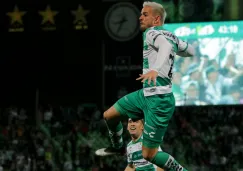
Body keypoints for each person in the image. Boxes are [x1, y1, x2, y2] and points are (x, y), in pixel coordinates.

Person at [96, 1, 195, 171]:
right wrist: (176, 46)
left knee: (149, 154)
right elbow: (191, 50)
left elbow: (163, 45)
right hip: (145, 94)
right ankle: (118, 146)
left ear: (156, 19)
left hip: (159, 100)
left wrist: (156, 69)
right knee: (109, 115)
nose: (140, 17)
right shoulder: (170, 36)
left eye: (145, 14)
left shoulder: (151, 32)